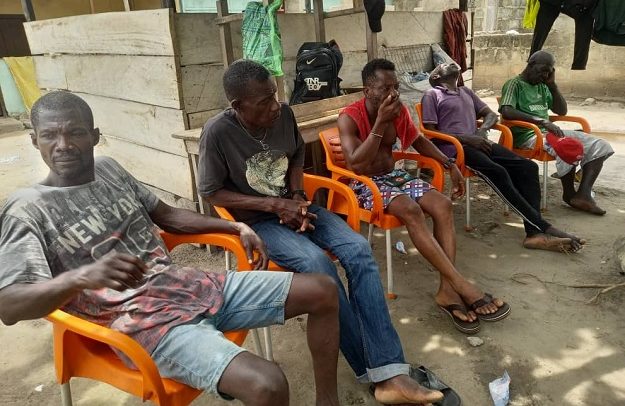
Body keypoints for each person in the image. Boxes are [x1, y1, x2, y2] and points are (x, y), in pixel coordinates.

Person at [0, 91, 342, 406]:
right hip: (140, 324)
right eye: (49, 135)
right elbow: (9, 305)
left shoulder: (109, 170)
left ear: (95, 135)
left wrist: (235, 226)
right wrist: (81, 278)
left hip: (187, 286)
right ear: (34, 140)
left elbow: (168, 216)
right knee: (267, 384)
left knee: (323, 290)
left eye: (75, 132)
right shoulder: (27, 209)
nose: (63, 145)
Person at [198, 59, 445, 405]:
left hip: (297, 206)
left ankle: (389, 372)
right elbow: (211, 193)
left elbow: (298, 154)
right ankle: (377, 373)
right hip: (258, 221)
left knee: (358, 249)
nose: (275, 106)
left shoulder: (283, 114)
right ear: (237, 106)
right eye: (265, 101)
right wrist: (274, 206)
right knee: (318, 265)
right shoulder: (217, 133)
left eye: (275, 95)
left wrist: (297, 195)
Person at [337, 58, 511, 334]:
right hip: (363, 183)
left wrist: (449, 164)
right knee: (411, 210)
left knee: (442, 204)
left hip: (393, 176)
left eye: (395, 86)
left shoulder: (397, 110)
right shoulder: (349, 117)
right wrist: (380, 122)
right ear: (367, 90)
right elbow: (356, 164)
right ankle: (460, 284)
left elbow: (418, 140)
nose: (393, 93)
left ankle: (447, 290)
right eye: (385, 88)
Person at [421, 62, 585, 253]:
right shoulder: (432, 95)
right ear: (435, 77)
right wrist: (468, 139)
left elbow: (491, 115)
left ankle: (533, 233)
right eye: (441, 65)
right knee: (498, 172)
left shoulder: (465, 92)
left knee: (528, 167)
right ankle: (542, 227)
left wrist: (481, 131)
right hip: (455, 149)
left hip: (479, 142)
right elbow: (431, 133)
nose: (448, 63)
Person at [499, 50, 614, 215]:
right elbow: (506, 111)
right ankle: (569, 194)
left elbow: (561, 110)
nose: (545, 75)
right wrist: (541, 121)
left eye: (549, 72)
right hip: (528, 136)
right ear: (531, 65)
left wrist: (552, 86)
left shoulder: (543, 86)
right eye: (542, 70)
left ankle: (583, 194)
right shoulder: (514, 84)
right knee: (568, 145)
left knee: (600, 145)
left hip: (549, 133)